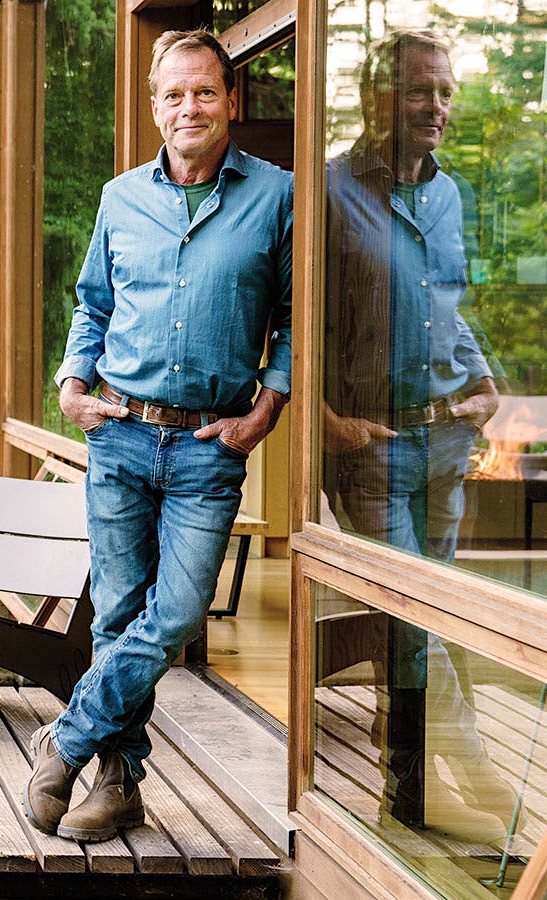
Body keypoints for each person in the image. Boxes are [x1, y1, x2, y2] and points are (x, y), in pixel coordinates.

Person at [23, 29, 293, 843]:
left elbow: (293, 318)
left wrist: (265, 410)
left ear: (230, 100)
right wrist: (71, 386)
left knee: (173, 613)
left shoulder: (274, 196)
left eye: (204, 92)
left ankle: (64, 742)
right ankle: (118, 783)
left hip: (210, 446)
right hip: (121, 435)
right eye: (173, 94)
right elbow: (92, 303)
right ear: (153, 106)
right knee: (116, 616)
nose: (189, 108)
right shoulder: (120, 198)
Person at [322, 29, 514, 844]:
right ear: (377, 98)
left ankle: (406, 788)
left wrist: (481, 376)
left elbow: (449, 305)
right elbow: (289, 318)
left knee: (427, 624)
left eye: (445, 93)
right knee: (415, 627)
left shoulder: (451, 195)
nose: (436, 107)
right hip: (371, 450)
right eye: (419, 91)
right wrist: (326, 423)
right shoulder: (327, 192)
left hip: (444, 447)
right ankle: (469, 783)